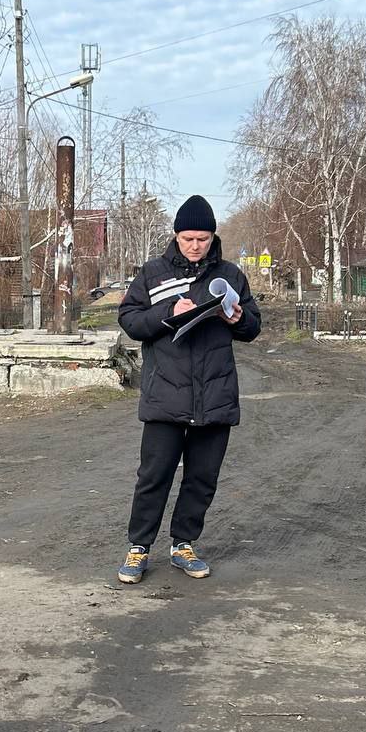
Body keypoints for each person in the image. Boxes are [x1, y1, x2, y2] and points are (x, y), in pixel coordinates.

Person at [116, 195, 261, 584]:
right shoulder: (153, 273)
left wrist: (238, 317)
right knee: (154, 475)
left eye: (203, 238)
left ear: (214, 237)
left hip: (215, 395)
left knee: (202, 477)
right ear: (176, 236)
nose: (195, 246)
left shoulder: (231, 275)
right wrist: (168, 314)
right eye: (187, 238)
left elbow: (252, 328)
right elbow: (130, 320)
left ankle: (184, 544)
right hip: (166, 393)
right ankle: (139, 547)